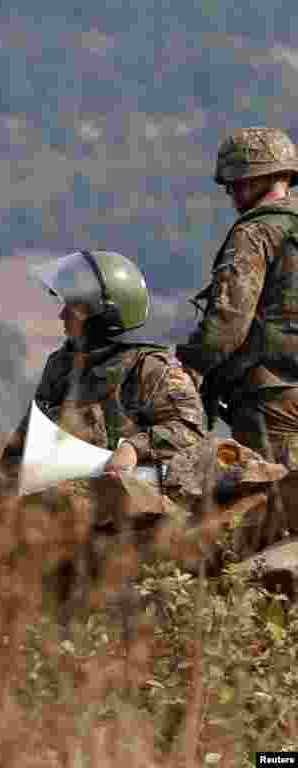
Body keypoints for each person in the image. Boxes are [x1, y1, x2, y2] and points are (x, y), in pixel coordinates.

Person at [0, 249, 206, 506]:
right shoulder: (61, 366)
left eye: (73, 308)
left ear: (104, 315)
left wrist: (134, 449)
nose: (62, 315)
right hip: (63, 508)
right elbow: (26, 440)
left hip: (137, 512)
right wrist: (8, 484)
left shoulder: (152, 368)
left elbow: (190, 431)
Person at [176, 127, 298, 553]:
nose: (231, 196)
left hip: (272, 397)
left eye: (234, 185)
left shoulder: (255, 234)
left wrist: (190, 364)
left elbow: (228, 321)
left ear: (253, 179)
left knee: (270, 517)